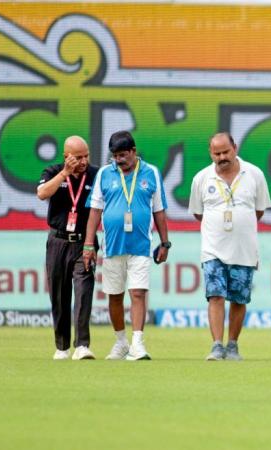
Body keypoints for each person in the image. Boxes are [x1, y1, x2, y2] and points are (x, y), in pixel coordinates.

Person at [83, 130, 170, 361]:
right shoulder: (104, 173)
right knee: (114, 296)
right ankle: (121, 342)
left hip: (141, 246)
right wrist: (88, 245)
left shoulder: (151, 173)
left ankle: (138, 343)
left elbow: (159, 210)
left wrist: (165, 242)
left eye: (123, 155)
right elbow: (95, 211)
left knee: (138, 293)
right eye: (115, 156)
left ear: (133, 151)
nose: (119, 160)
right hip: (112, 246)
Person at [188, 132, 271, 361]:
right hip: (212, 248)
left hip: (244, 249)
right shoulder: (201, 178)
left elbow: (260, 210)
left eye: (226, 151)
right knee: (215, 295)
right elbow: (198, 213)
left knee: (238, 298)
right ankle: (216, 345)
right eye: (217, 154)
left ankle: (232, 345)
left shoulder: (254, 174)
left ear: (235, 147)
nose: (222, 157)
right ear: (210, 154)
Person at [37, 136, 99, 360]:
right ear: (66, 157)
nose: (83, 161)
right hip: (58, 240)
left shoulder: (96, 175)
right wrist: (63, 173)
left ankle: (82, 345)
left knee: (84, 291)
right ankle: (62, 347)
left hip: (85, 241)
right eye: (78, 157)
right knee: (59, 293)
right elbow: (42, 193)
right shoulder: (53, 171)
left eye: (86, 156)